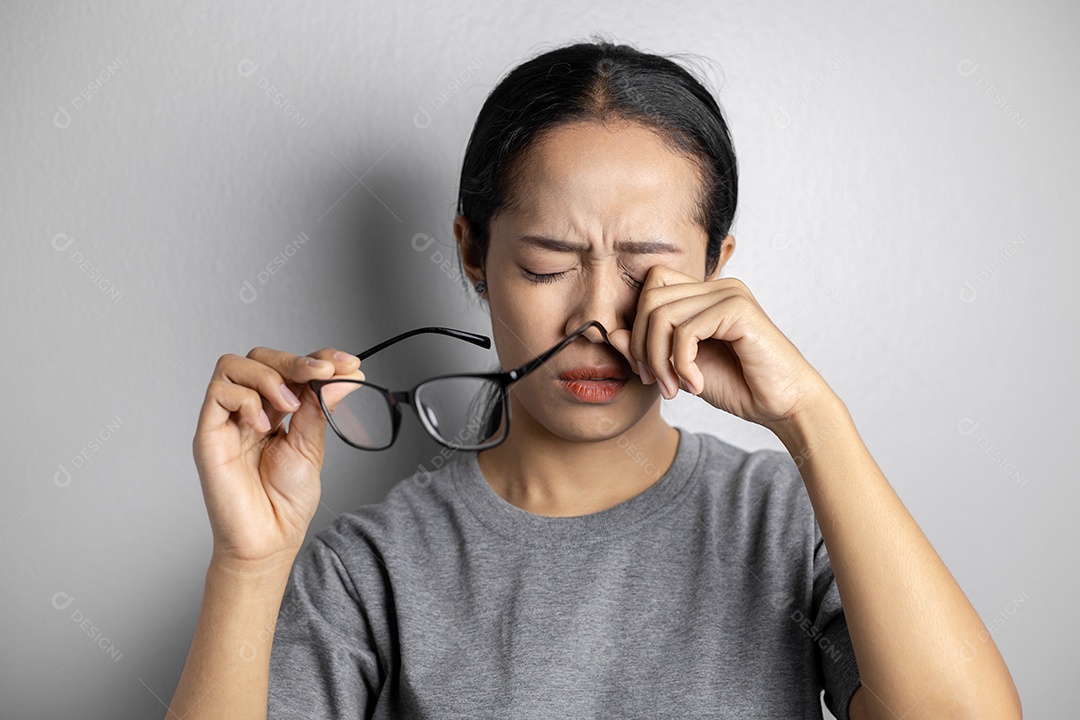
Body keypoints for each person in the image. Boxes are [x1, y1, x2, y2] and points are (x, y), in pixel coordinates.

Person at [168, 40, 1022, 719]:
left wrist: (812, 420)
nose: (594, 319)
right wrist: (249, 565)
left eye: (647, 268)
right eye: (546, 266)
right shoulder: (371, 569)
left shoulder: (788, 518)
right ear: (472, 252)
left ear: (718, 268)